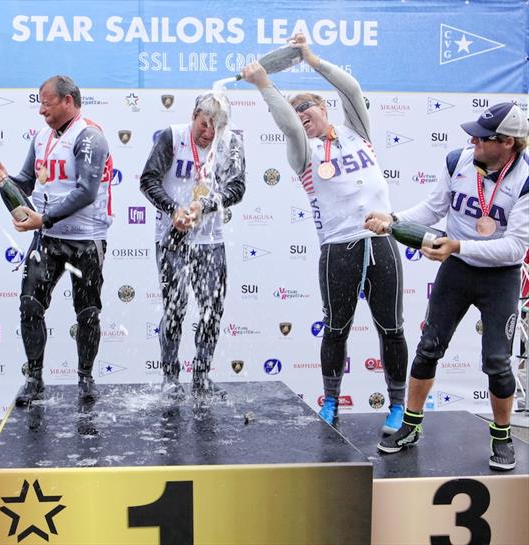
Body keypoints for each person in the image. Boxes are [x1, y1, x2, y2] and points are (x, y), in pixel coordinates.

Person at [241, 33, 408, 433]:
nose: (301, 114)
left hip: (382, 241)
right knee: (336, 328)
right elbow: (288, 126)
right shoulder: (303, 152)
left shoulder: (357, 131)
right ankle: (331, 401)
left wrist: (312, 59)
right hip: (338, 248)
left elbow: (351, 88)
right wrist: (266, 84)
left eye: (307, 107)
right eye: (295, 110)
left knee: (392, 327)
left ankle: (399, 404)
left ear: (324, 107)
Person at [365, 103, 529, 470]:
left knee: (497, 364)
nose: (472, 142)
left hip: (500, 275)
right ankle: (411, 425)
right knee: (428, 348)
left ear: (506, 144)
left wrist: (458, 245)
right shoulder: (459, 161)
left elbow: (516, 247)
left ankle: (502, 437)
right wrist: (392, 219)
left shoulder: (526, 179)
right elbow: (431, 209)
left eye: (481, 138)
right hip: (456, 270)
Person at [0, 75, 112, 406]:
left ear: (68, 101)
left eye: (47, 103)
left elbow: (86, 192)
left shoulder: (89, 137)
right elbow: (26, 182)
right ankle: (34, 379)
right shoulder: (42, 137)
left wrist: (43, 218)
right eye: (39, 103)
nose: (41, 110)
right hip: (48, 238)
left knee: (86, 313)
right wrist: (4, 181)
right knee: (30, 305)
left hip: (85, 241)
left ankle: (85, 378)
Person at [139, 93, 246, 398]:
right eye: (204, 124)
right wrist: (174, 210)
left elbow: (237, 188)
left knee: (212, 310)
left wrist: (206, 205)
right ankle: (170, 378)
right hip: (172, 238)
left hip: (211, 240)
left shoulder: (232, 143)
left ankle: (202, 376)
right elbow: (148, 180)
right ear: (194, 114)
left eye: (217, 127)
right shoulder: (171, 137)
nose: (209, 133)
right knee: (175, 308)